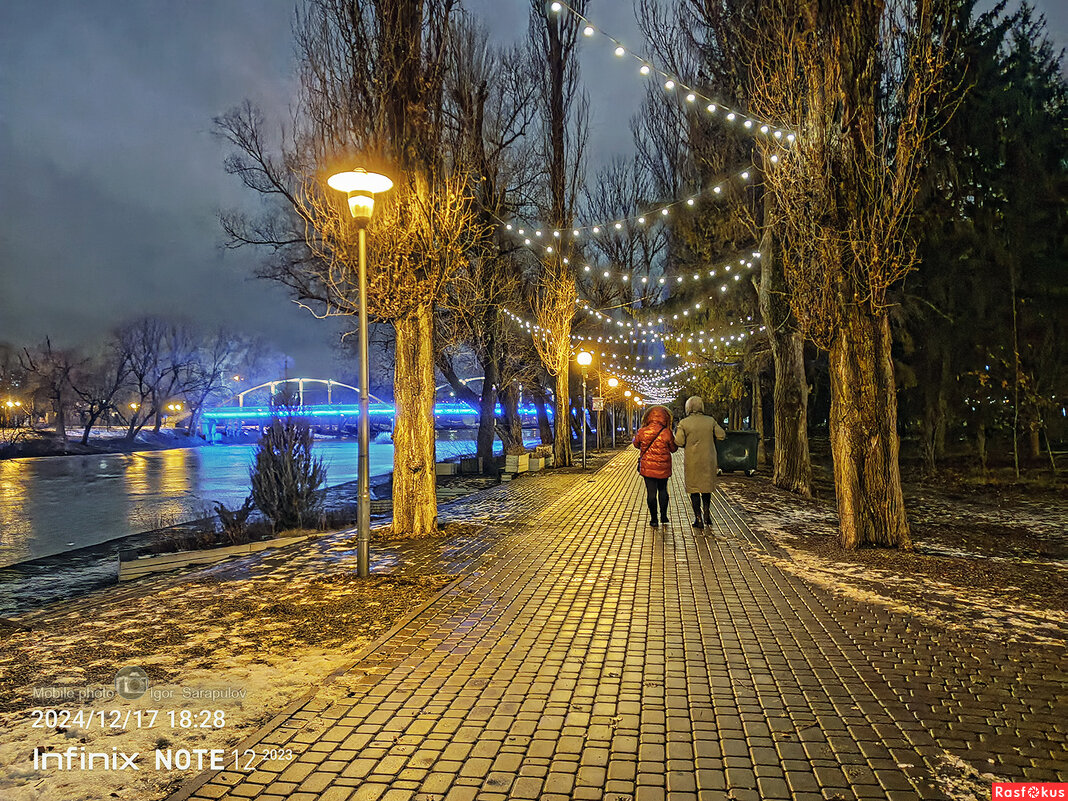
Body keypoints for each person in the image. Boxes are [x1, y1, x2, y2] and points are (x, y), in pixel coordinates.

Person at [674, 395, 727, 530]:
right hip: (708, 459)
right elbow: (721, 435)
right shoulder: (711, 421)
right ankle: (707, 514)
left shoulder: (684, 423)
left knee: (694, 489)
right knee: (706, 488)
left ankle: (698, 518)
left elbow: (679, 442)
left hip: (692, 460)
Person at [633, 405, 678, 528]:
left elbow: (636, 444)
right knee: (663, 490)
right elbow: (673, 449)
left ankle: (654, 519)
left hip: (648, 466)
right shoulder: (666, 432)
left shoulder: (642, 431)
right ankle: (664, 516)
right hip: (663, 467)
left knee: (651, 493)